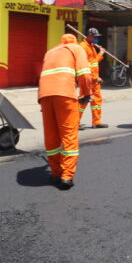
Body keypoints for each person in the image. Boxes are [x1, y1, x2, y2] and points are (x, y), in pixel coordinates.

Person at [38, 34, 92, 190]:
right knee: (69, 135)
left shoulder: (50, 52)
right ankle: (66, 176)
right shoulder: (77, 48)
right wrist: (85, 94)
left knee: (51, 135)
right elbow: (84, 74)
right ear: (74, 41)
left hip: (45, 95)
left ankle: (55, 173)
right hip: (65, 94)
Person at [79, 28, 107, 129]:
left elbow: (94, 61)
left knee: (97, 102)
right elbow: (85, 65)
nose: (96, 39)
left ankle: (96, 122)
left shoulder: (91, 46)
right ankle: (75, 123)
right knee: (83, 101)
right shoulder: (82, 47)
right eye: (95, 37)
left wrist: (101, 53)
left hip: (95, 80)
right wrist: (95, 77)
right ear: (89, 36)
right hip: (88, 80)